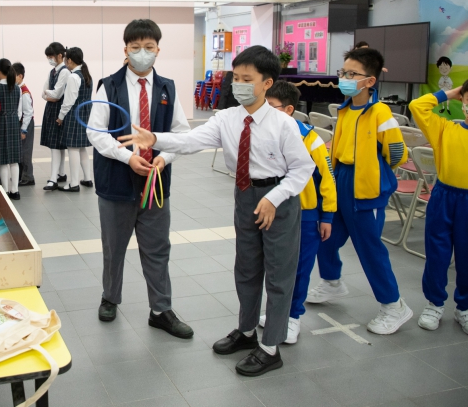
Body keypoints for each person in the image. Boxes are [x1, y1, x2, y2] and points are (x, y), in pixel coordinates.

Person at [119, 45, 314, 377]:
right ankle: (247, 331)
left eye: (247, 79)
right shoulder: (227, 118)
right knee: (246, 268)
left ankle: (270, 347)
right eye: (236, 77)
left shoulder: (283, 124)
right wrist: (155, 139)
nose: (238, 84)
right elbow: (192, 141)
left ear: (267, 83)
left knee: (279, 274)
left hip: (277, 199)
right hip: (245, 195)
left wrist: (275, 198)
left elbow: (302, 168)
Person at [87, 19, 194, 341]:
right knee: (114, 246)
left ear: (158, 50)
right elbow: (96, 132)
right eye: (136, 47)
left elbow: (181, 133)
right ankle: (110, 297)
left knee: (158, 248)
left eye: (149, 47)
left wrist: (164, 157)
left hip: (155, 183)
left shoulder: (167, 88)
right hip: (117, 181)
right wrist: (127, 158)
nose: (142, 53)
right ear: (126, 49)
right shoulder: (109, 86)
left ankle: (161, 310)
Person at [308, 47, 412, 334]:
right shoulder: (344, 108)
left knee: (369, 248)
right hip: (341, 179)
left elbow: (397, 153)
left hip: (366, 188)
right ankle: (332, 282)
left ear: (370, 81)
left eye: (352, 74)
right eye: (343, 72)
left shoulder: (380, 112)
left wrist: (373, 170)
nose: (345, 77)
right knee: (325, 237)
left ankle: (394, 305)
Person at [258, 80, 337, 344]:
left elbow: (327, 180)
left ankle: (293, 317)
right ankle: (277, 313)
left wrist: (327, 217)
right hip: (275, 213)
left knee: (300, 269)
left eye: (271, 106)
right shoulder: (264, 135)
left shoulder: (310, 139)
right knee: (276, 267)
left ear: (289, 109)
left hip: (306, 216)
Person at [408, 80, 468, 334]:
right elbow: (417, 106)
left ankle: (464, 307)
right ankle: (434, 303)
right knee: (437, 253)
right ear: (463, 101)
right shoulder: (445, 128)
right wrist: (450, 93)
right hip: (444, 196)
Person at [56, 47, 94, 192]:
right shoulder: (87, 74)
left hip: (75, 113)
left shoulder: (73, 77)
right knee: (82, 147)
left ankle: (73, 184)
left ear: (70, 60)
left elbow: (68, 101)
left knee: (72, 148)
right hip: (86, 113)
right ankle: (87, 179)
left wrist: (60, 117)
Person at [0, 58, 22, 201]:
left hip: (0, 123)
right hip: (14, 123)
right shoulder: (17, 88)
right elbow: (20, 111)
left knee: (3, 159)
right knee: (14, 160)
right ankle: (15, 191)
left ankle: (4, 190)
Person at [41, 42, 69, 190]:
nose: (49, 59)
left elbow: (57, 94)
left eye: (51, 56)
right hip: (52, 109)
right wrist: (49, 95)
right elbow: (44, 93)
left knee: (56, 146)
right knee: (58, 145)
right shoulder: (52, 72)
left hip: (58, 111)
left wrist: (49, 94)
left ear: (59, 55)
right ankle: (61, 173)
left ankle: (53, 179)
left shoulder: (64, 72)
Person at [13, 62, 35, 187]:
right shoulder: (18, 90)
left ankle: (28, 177)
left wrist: (23, 130)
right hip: (22, 123)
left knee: (26, 151)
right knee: (21, 150)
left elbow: (28, 113)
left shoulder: (24, 93)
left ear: (20, 76)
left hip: (26, 123)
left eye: (13, 76)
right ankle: (22, 175)